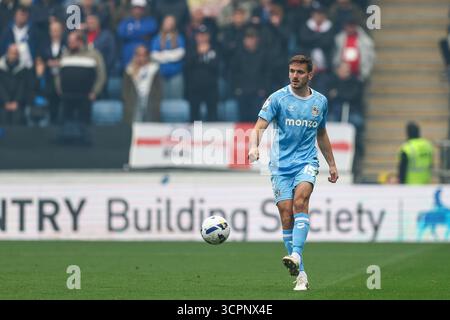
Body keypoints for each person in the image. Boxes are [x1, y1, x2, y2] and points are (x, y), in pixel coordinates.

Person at [248, 55, 338, 291]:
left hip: (306, 162)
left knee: (301, 201)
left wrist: (332, 163)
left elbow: (322, 133)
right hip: (280, 166)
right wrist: (253, 146)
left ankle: (296, 254)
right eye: (291, 71)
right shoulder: (277, 98)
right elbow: (258, 127)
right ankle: (301, 275)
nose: (294, 76)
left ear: (310, 75)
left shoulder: (320, 102)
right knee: (286, 214)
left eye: (299, 72)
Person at [122, 45, 162, 124]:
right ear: (135, 56)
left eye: (144, 55)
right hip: (134, 101)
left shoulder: (154, 69)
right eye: (139, 55)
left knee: (150, 126)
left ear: (147, 56)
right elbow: (125, 90)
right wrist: (129, 101)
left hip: (150, 100)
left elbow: (159, 89)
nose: (141, 58)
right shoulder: (129, 70)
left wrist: (156, 101)